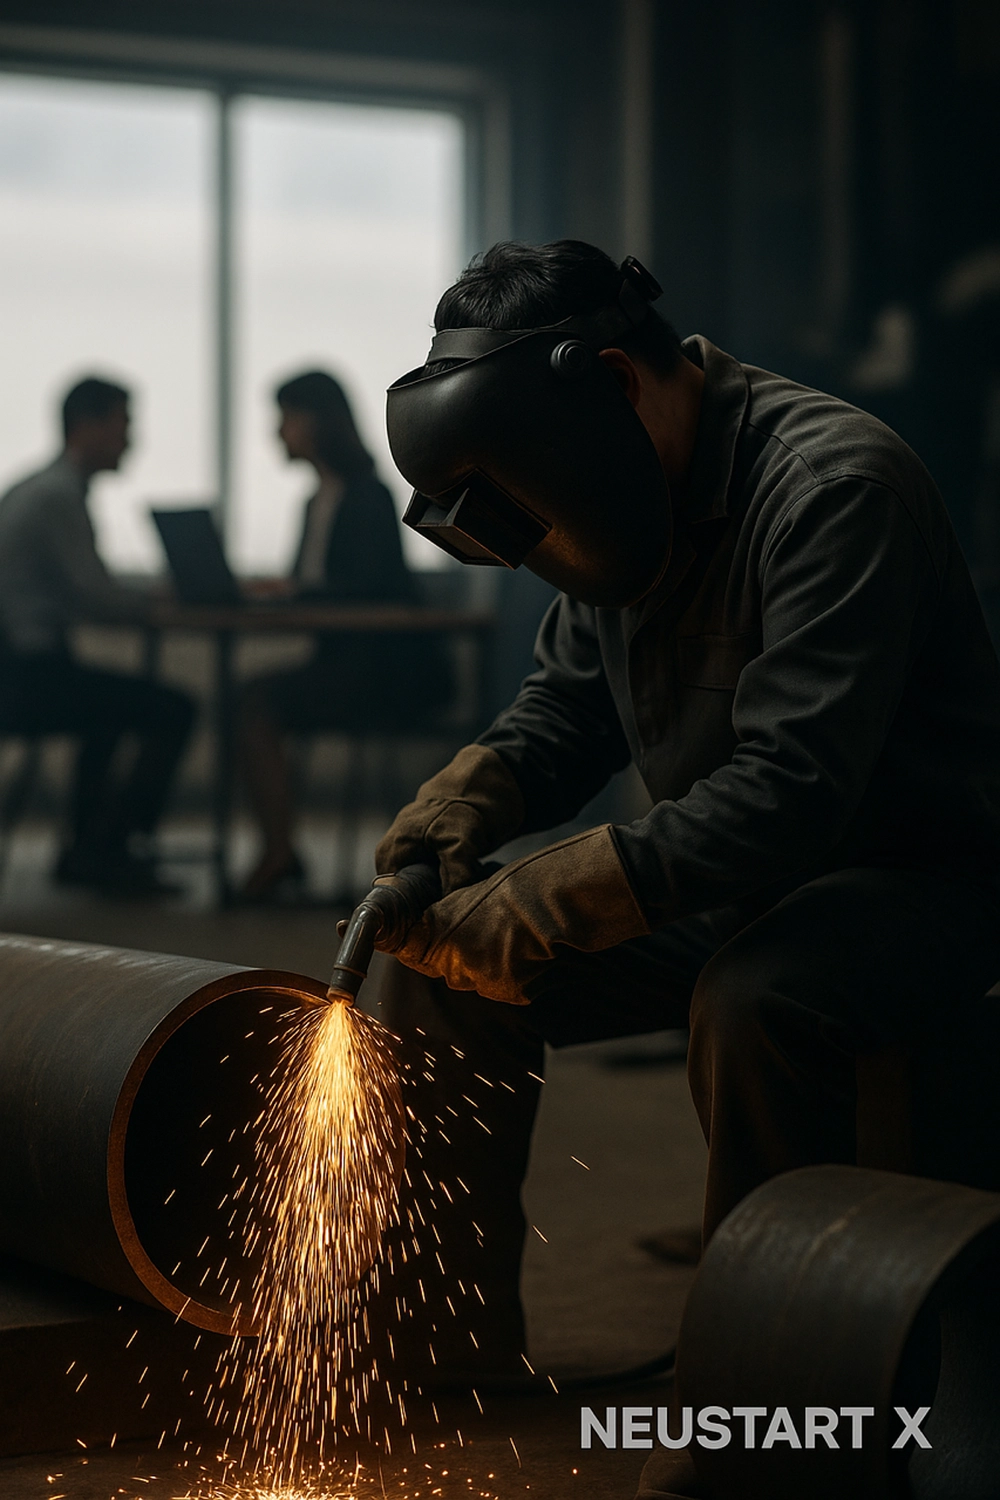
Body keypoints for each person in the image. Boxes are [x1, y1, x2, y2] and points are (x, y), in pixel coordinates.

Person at [370, 240, 1000, 1470]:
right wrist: (474, 795)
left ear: (616, 379)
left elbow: (792, 789)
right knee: (436, 973)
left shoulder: (830, 487)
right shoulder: (613, 494)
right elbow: (570, 709)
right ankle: (439, 1367)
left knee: (758, 998)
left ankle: (778, 1414)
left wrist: (552, 895)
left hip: (920, 880)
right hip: (730, 876)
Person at [237, 370, 452, 903]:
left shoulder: (367, 495)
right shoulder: (315, 502)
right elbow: (315, 588)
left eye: (286, 417)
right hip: (338, 665)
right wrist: (283, 593)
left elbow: (365, 588)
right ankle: (280, 848)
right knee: (246, 699)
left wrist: (291, 595)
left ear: (316, 423)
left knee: (252, 703)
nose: (277, 432)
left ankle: (278, 852)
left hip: (380, 672)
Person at [0, 376, 195, 895]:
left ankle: (93, 847)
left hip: (20, 671)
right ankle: (114, 847)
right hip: (28, 676)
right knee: (172, 709)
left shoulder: (35, 487)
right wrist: (163, 601)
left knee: (106, 710)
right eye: (121, 424)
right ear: (86, 426)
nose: (130, 439)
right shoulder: (57, 496)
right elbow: (93, 595)